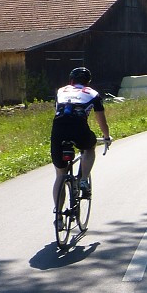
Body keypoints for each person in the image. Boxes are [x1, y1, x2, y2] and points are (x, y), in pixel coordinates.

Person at [51, 67, 111, 218]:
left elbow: (57, 110)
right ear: (88, 82)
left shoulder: (61, 91)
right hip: (79, 128)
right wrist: (106, 136)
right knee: (89, 147)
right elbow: (101, 119)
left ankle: (58, 216)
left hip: (58, 129)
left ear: (71, 80)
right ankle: (83, 179)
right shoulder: (93, 93)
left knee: (60, 175)